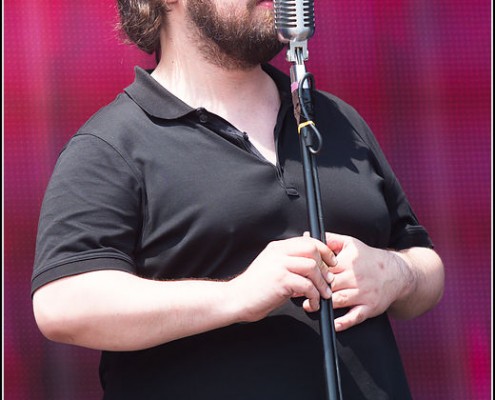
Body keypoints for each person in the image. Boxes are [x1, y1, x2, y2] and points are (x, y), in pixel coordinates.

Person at [32, 0, 445, 398]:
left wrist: (397, 274)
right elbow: (63, 304)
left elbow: (426, 264)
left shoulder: (336, 121)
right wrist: (237, 295)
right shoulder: (112, 144)